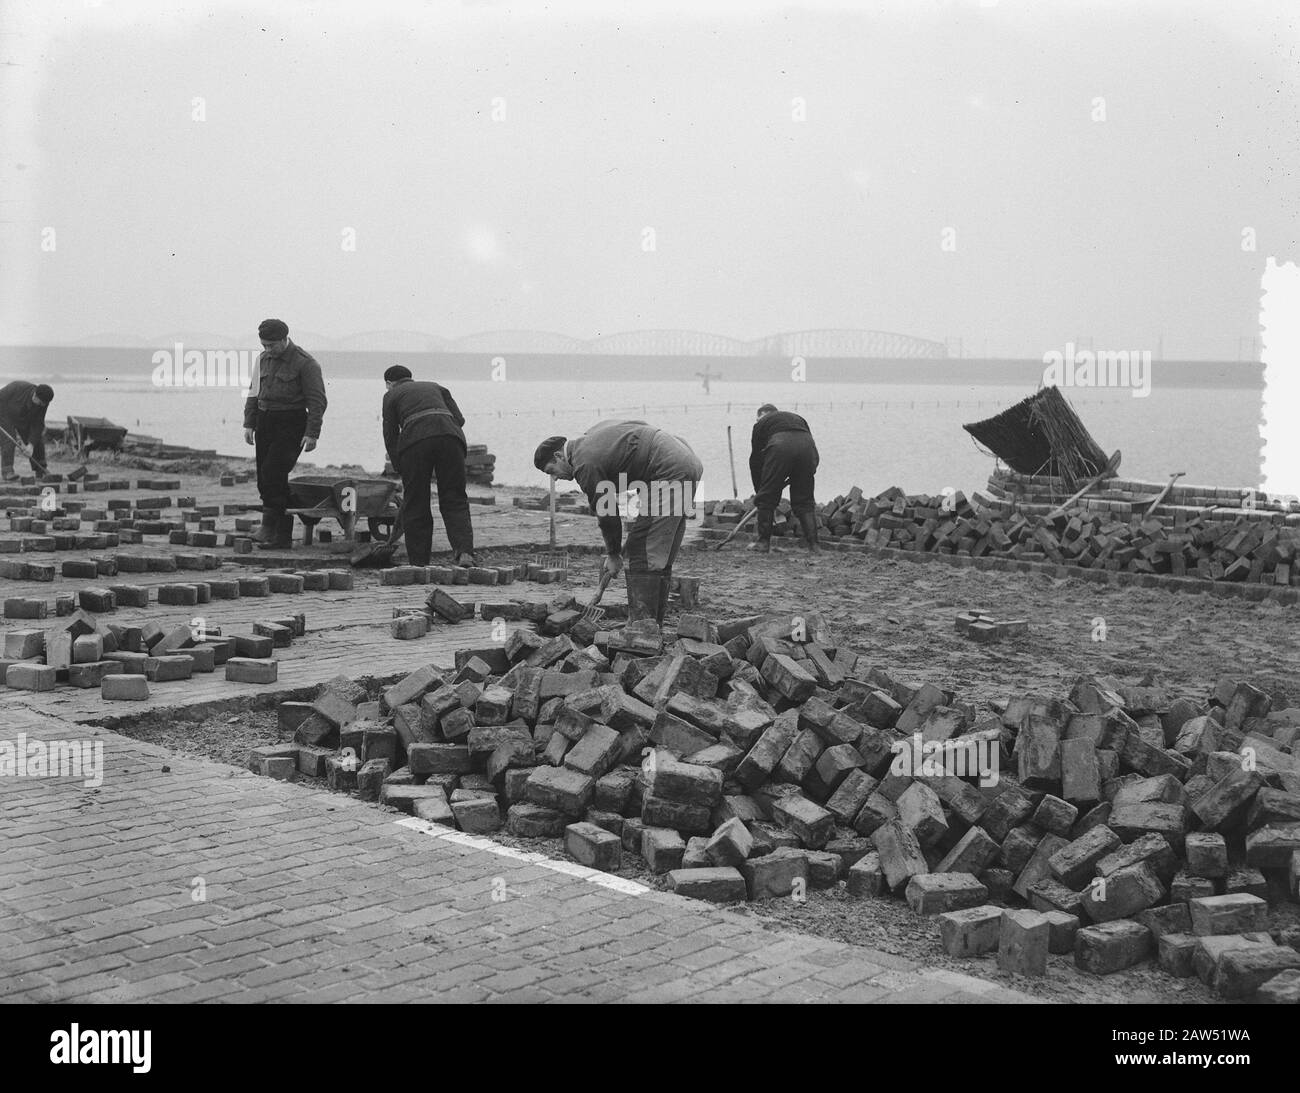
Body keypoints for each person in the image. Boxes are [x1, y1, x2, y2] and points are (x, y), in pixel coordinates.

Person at [534, 420, 702, 625]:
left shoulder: (585, 464)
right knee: (659, 552)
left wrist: (613, 554)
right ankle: (651, 625)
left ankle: (642, 630)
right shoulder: (591, 437)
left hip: (668, 469)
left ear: (559, 456)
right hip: (685, 458)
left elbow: (607, 513)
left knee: (641, 554)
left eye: (551, 471)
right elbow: (638, 427)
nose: (555, 479)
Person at [242, 319, 327, 549]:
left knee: (273, 472)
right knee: (264, 477)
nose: (268, 350)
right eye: (264, 345)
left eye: (271, 345)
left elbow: (317, 401)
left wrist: (312, 434)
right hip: (265, 421)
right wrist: (249, 423)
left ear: (284, 339)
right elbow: (253, 393)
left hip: (291, 423)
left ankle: (278, 534)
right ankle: (272, 527)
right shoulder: (262, 359)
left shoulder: (306, 363)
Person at [381, 365, 475, 566]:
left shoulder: (390, 395)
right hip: (452, 438)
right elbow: (459, 419)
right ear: (410, 378)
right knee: (455, 498)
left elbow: (390, 435)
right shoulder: (436, 387)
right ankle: (464, 552)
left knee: (416, 503)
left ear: (389, 384)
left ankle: (419, 563)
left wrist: (399, 466)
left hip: (415, 442)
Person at [748, 402, 820, 553]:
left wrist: (761, 492)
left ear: (761, 416)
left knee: (767, 499)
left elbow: (756, 461)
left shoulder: (761, 424)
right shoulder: (797, 418)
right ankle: (814, 546)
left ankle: (763, 543)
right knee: (804, 501)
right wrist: (805, 473)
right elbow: (811, 451)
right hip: (807, 449)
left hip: (780, 446)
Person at [0, 381, 53, 481]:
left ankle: (41, 470)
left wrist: (31, 445)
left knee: (36, 439)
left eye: (44, 404)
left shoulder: (44, 403)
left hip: (24, 418)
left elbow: (38, 424)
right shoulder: (16, 387)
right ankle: (7, 472)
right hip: (5, 416)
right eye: (40, 403)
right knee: (9, 441)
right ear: (35, 395)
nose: (42, 405)